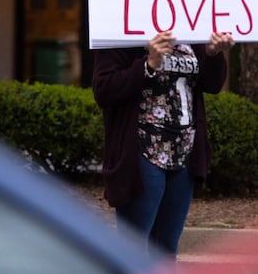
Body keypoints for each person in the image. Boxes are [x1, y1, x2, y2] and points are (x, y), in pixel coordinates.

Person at [92, 30, 234, 258]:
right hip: (142, 151)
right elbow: (104, 89)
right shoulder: (121, 28)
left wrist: (213, 53)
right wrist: (148, 64)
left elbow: (212, 85)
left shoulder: (190, 29)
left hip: (184, 152)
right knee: (133, 250)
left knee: (166, 249)